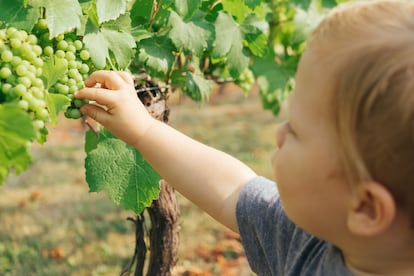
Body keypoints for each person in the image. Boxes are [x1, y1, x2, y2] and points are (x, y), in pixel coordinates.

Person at [74, 0, 414, 275]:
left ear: (367, 209)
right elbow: (231, 188)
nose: (280, 134)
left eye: (295, 130)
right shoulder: (307, 239)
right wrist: (143, 129)